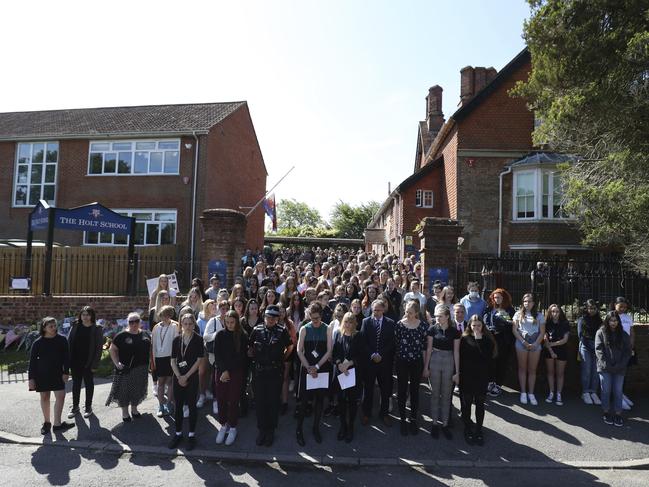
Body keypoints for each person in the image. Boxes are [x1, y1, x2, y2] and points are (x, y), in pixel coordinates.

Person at [248, 304, 291, 447]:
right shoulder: (257, 330)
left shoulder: (282, 330)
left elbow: (290, 347)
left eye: (273, 317)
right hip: (259, 372)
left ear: (278, 318)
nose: (270, 320)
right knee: (260, 402)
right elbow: (249, 347)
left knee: (273, 402)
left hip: (274, 371)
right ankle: (262, 430)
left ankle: (271, 431)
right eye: (268, 317)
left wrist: (282, 358)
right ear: (264, 317)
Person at [295, 302, 333, 446]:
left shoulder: (327, 328)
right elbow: (299, 350)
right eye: (312, 318)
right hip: (308, 368)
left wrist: (317, 366)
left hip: (322, 368)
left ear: (321, 316)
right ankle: (299, 429)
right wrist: (309, 367)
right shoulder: (305, 328)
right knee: (304, 401)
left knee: (319, 400)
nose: (315, 321)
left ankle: (316, 427)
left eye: (317, 318)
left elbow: (329, 350)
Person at [29, 317, 74, 435]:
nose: (54, 328)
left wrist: (66, 372)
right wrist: (31, 379)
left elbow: (67, 358)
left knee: (61, 396)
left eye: (55, 326)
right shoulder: (37, 343)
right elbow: (32, 362)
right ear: (44, 328)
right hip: (42, 374)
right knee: (45, 397)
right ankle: (47, 423)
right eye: (51, 326)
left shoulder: (62, 340)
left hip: (58, 373)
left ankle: (57, 424)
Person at [423, 304, 460, 439]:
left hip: (449, 361)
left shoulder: (455, 331)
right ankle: (434, 423)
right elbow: (428, 349)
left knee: (446, 394)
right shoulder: (432, 329)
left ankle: (444, 424)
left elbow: (456, 352)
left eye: (440, 316)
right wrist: (426, 367)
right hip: (435, 360)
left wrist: (457, 371)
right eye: (436, 316)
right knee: (435, 393)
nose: (437, 318)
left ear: (447, 316)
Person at [168, 313, 204, 450]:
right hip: (178, 377)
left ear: (194, 324)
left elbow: (199, 360)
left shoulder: (198, 339)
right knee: (178, 406)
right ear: (181, 324)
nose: (188, 326)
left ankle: (191, 435)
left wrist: (186, 376)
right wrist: (179, 377)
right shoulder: (176, 340)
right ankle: (178, 434)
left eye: (190, 324)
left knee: (192, 406)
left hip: (192, 377)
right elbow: (172, 361)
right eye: (185, 323)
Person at [106, 312, 151, 422]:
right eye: (131, 322)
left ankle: (134, 410)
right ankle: (125, 413)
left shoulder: (145, 334)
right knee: (124, 392)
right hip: (126, 369)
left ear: (140, 322)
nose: (134, 324)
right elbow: (112, 350)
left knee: (138, 390)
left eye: (136, 321)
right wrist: (117, 364)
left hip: (142, 368)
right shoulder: (121, 336)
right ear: (128, 323)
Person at [459, 315, 496, 446]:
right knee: (467, 403)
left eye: (479, 325)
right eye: (473, 325)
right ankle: (467, 427)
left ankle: (479, 429)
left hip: (481, 376)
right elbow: (461, 358)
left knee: (480, 403)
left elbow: (487, 358)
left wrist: (479, 340)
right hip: (467, 376)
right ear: (469, 326)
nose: (476, 328)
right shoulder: (464, 339)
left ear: (483, 326)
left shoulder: (487, 340)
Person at [214, 310, 249, 446]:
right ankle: (223, 425)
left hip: (236, 372)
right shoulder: (220, 335)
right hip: (221, 372)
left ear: (237, 322)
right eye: (227, 322)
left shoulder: (242, 335)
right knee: (221, 399)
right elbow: (217, 354)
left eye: (232, 322)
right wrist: (224, 370)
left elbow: (242, 357)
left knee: (233, 400)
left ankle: (233, 427)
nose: (229, 325)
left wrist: (229, 371)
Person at [359, 300, 396, 427]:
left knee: (385, 390)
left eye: (378, 310)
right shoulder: (366, 322)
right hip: (370, 362)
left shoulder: (390, 323)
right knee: (368, 389)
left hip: (384, 362)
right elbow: (363, 342)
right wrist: (372, 355)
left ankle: (384, 414)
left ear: (383, 310)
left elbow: (392, 343)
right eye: (374, 310)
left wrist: (381, 355)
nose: (376, 312)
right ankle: (366, 414)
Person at [395, 301, 428, 436]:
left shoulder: (423, 326)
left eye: (410, 312)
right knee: (402, 390)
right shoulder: (399, 325)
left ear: (416, 313)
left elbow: (425, 348)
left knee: (414, 391)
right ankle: (403, 419)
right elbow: (396, 344)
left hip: (416, 362)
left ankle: (413, 419)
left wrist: (426, 366)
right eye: (406, 311)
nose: (407, 314)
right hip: (402, 362)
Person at [596, 311, 632, 427]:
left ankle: (618, 414)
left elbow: (627, 351)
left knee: (618, 391)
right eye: (611, 320)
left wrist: (621, 365)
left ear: (618, 321)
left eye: (615, 321)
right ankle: (606, 412)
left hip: (619, 368)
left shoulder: (623, 334)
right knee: (606, 390)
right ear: (607, 321)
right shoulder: (601, 332)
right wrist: (606, 364)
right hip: (605, 367)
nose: (613, 323)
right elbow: (599, 350)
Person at [67, 306, 104, 419]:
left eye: (88, 314)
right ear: (80, 316)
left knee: (89, 384)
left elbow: (99, 348)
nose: (85, 317)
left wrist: (95, 364)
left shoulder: (96, 328)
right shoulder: (75, 325)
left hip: (89, 361)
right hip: (75, 360)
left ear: (92, 316)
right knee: (76, 384)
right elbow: (69, 342)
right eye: (83, 314)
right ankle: (75, 406)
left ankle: (88, 407)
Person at [332, 311, 362, 443]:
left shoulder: (358, 336)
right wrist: (339, 364)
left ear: (354, 323)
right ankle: (343, 425)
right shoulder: (338, 334)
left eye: (351, 322)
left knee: (352, 401)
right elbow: (335, 353)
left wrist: (349, 363)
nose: (348, 324)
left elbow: (362, 355)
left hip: (353, 373)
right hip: (340, 373)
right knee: (341, 401)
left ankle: (351, 427)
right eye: (346, 321)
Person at [512, 294, 545, 406]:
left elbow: (542, 332)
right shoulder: (517, 314)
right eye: (525, 301)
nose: (527, 303)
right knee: (522, 368)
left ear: (534, 303)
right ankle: (523, 392)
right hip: (521, 344)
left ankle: (531, 393)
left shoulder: (540, 315)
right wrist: (524, 342)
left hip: (535, 345)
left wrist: (535, 344)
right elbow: (515, 330)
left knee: (532, 370)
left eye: (529, 301)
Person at [483, 288, 515, 398]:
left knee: (501, 362)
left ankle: (498, 385)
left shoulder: (509, 310)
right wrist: (489, 329)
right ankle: (490, 382)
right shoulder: (489, 308)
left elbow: (511, 324)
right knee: (490, 361)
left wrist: (502, 325)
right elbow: (485, 321)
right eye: (495, 297)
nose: (497, 299)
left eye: (499, 297)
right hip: (490, 339)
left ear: (504, 298)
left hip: (503, 339)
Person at [151, 305, 179, 417]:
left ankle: (168, 404)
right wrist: (153, 360)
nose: (164, 317)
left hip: (171, 358)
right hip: (159, 358)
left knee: (170, 382)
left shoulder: (175, 326)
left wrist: (175, 358)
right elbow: (153, 345)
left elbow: (177, 342)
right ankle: (161, 405)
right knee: (160, 382)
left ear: (170, 315)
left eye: (167, 315)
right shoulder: (156, 327)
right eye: (162, 315)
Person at [543, 304, 570, 405]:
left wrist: (553, 344)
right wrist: (551, 351)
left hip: (562, 350)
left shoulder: (565, 323)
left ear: (560, 312)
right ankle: (551, 392)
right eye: (553, 311)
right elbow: (545, 339)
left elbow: (565, 339)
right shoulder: (546, 323)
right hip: (549, 350)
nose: (555, 314)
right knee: (550, 372)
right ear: (550, 313)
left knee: (560, 373)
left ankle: (559, 394)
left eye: (557, 311)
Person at [204, 300, 227, 415]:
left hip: (228, 356)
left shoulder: (231, 320)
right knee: (216, 379)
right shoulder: (213, 321)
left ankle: (224, 401)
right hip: (215, 356)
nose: (224, 310)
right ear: (218, 309)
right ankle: (215, 401)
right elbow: (206, 337)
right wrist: (217, 334)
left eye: (226, 308)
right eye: (222, 308)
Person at [577, 299, 602, 405]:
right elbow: (580, 335)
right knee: (586, 370)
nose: (591, 310)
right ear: (586, 309)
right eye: (589, 308)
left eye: (593, 308)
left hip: (597, 346)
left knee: (596, 371)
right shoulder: (582, 319)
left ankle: (593, 392)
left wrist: (596, 347)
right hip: (585, 346)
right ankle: (585, 392)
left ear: (597, 309)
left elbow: (602, 334)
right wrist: (589, 346)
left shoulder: (600, 321)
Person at [613, 297, 635, 410]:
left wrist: (631, 346)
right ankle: (618, 397)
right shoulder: (611, 316)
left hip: (626, 349)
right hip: (616, 349)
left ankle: (621, 394)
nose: (623, 309)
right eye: (620, 306)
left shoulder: (628, 317)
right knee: (617, 372)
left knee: (624, 372)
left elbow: (631, 332)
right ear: (615, 305)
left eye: (625, 307)